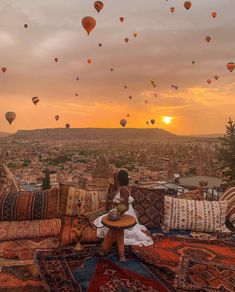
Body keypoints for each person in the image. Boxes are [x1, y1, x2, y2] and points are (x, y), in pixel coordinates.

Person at [93, 170, 153, 251]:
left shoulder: (123, 190)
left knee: (103, 222)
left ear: (119, 179)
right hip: (126, 210)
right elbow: (117, 187)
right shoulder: (126, 187)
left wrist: (110, 202)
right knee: (103, 220)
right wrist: (115, 175)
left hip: (124, 211)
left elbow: (124, 205)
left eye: (117, 178)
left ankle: (107, 245)